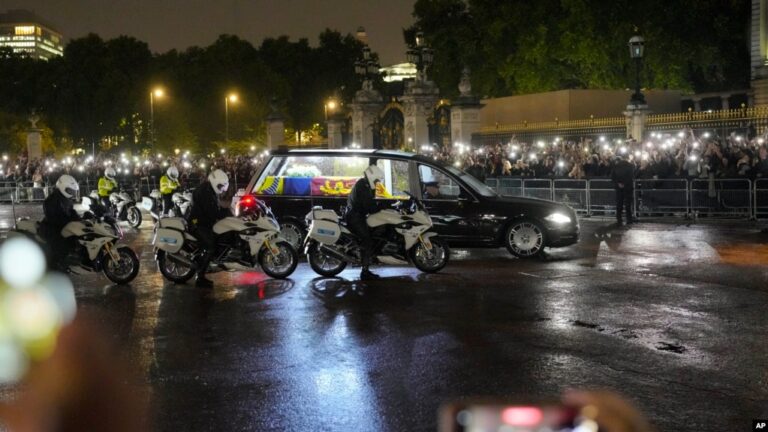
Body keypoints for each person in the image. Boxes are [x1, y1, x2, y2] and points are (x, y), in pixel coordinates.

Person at [187, 169, 230, 288]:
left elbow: (215, 209)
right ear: (215, 182)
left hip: (204, 222)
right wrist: (227, 213)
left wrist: (227, 211)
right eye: (221, 186)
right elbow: (212, 212)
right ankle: (200, 277)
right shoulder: (204, 192)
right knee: (210, 246)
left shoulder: (209, 189)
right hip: (197, 224)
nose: (221, 189)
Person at [345, 165, 384, 280]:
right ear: (372, 177)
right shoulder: (363, 186)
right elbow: (369, 206)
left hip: (355, 215)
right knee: (367, 240)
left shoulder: (363, 184)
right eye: (376, 180)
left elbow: (370, 202)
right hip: (355, 217)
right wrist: (380, 208)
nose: (377, 182)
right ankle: (365, 271)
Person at [40, 175, 81, 269]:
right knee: (59, 244)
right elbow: (53, 217)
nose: (72, 193)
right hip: (50, 228)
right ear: (63, 187)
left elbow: (71, 211)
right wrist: (68, 220)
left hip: (63, 225)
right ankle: (54, 265)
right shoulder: (51, 200)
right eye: (70, 191)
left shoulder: (66, 199)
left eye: (73, 191)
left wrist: (80, 219)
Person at [611, 154, 636, 225]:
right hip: (628, 187)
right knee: (628, 204)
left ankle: (619, 219)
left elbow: (613, 177)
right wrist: (624, 183)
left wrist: (619, 183)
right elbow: (631, 176)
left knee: (619, 204)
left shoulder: (615, 166)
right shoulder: (630, 166)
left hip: (619, 188)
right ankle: (629, 219)